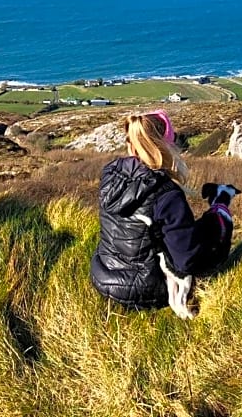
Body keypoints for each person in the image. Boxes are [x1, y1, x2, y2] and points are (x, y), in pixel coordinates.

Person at [90, 110, 215, 310]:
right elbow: (186, 260)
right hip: (141, 290)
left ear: (131, 143)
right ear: (165, 146)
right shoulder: (166, 193)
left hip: (102, 273)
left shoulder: (111, 172)